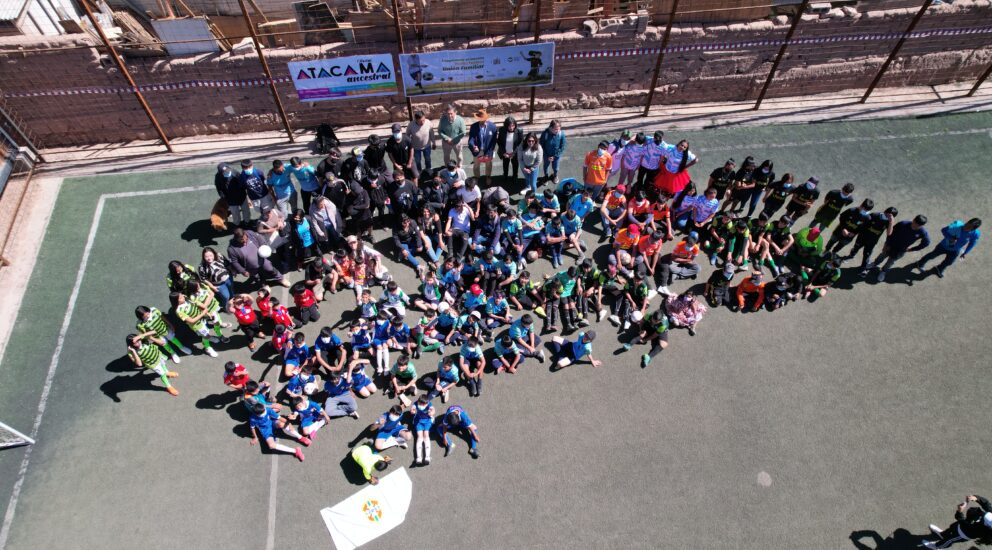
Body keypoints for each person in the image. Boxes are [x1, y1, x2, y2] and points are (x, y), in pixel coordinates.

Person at [862, 214, 930, 282]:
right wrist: (886, 244)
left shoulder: (922, 232)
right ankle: (875, 264)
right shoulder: (903, 224)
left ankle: (883, 271)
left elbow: (926, 243)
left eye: (918, 225)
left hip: (900, 250)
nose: (915, 226)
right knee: (882, 255)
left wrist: (912, 249)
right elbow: (891, 233)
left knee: (890, 262)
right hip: (890, 245)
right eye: (915, 223)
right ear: (913, 219)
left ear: (921, 226)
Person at [912, 218, 981, 278]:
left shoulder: (975, 234)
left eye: (969, 227)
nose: (966, 227)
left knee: (949, 262)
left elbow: (972, 243)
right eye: (967, 224)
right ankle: (920, 263)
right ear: (967, 222)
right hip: (943, 246)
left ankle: (938, 269)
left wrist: (965, 252)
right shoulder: (956, 226)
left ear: (973, 229)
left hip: (955, 250)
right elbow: (943, 230)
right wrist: (950, 237)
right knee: (932, 255)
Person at [922, 494, 992, 549]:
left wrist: (959, 511)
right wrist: (977, 498)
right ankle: (942, 534)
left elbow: (963, 523)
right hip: (961, 525)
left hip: (962, 534)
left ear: (987, 525)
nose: (984, 514)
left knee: (949, 540)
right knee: (951, 528)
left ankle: (937, 546)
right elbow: (986, 504)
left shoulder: (980, 530)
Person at [170, 291, 224, 357]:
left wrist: (207, 314)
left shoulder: (187, 299)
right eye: (180, 297)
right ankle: (207, 348)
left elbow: (197, 306)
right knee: (205, 336)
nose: (183, 296)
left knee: (206, 332)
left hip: (202, 319)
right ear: (176, 300)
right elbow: (191, 321)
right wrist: (203, 314)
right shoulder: (179, 311)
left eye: (182, 295)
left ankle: (209, 338)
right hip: (196, 325)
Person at [844, 206, 897, 271]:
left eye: (891, 216)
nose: (889, 217)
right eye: (888, 215)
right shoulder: (874, 215)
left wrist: (891, 222)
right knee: (856, 248)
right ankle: (851, 255)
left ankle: (863, 268)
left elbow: (889, 233)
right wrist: (854, 232)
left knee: (867, 254)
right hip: (862, 237)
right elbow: (862, 224)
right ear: (885, 212)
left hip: (872, 241)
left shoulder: (889, 222)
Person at [468, 108, 497, 184]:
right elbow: (471, 139)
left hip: (488, 150)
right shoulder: (473, 126)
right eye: (480, 119)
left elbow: (494, 141)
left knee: (489, 165)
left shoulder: (493, 127)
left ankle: (488, 177)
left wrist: (490, 151)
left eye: (484, 119)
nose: (482, 121)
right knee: (476, 165)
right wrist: (474, 146)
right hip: (478, 151)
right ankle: (477, 177)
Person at [215, 162, 250, 226]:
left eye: (227, 169)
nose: (227, 171)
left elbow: (242, 183)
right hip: (231, 200)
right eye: (224, 171)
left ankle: (247, 222)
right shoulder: (218, 177)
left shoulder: (235, 173)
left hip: (241, 196)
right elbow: (219, 188)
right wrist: (224, 197)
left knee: (246, 210)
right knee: (235, 213)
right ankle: (237, 224)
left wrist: (244, 192)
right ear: (220, 172)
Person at [409, 394, 435, 466]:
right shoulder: (415, 404)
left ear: (427, 402)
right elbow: (412, 410)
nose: (422, 405)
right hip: (418, 421)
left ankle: (427, 457)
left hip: (427, 421)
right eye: (421, 404)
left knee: (426, 435)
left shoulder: (429, 403)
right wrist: (413, 411)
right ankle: (419, 458)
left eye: (424, 404)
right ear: (418, 401)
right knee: (419, 437)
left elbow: (433, 410)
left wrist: (431, 413)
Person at [406, 111, 434, 178]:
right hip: (416, 147)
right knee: (417, 160)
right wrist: (409, 146)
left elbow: (431, 133)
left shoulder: (428, 122)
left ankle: (428, 169)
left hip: (427, 146)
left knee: (428, 159)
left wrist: (434, 142)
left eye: (423, 120)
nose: (423, 122)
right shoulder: (411, 125)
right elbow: (407, 135)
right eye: (420, 121)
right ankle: (419, 171)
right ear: (416, 120)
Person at [496, 116, 524, 182]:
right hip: (505, 152)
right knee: (505, 164)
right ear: (506, 126)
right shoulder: (502, 130)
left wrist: (514, 153)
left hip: (514, 153)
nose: (511, 128)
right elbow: (499, 142)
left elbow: (520, 143)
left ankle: (515, 176)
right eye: (509, 126)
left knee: (515, 165)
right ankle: (505, 175)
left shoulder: (519, 131)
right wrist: (503, 153)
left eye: (513, 126)